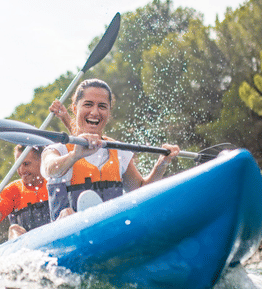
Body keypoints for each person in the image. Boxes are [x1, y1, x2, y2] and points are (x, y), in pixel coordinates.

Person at [41, 79, 180, 221]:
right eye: (88, 104)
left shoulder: (118, 151)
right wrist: (74, 156)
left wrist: (162, 163)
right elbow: (50, 169)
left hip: (110, 230)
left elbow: (140, 190)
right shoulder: (57, 149)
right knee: (66, 213)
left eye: (102, 106)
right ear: (75, 109)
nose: (95, 112)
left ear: (108, 112)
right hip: (70, 235)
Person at [0, 145, 49, 240]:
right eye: (18, 165)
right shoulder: (13, 190)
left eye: (26, 164)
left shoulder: (56, 182)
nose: (21, 170)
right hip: (28, 245)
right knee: (14, 229)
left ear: (42, 161)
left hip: (56, 236)